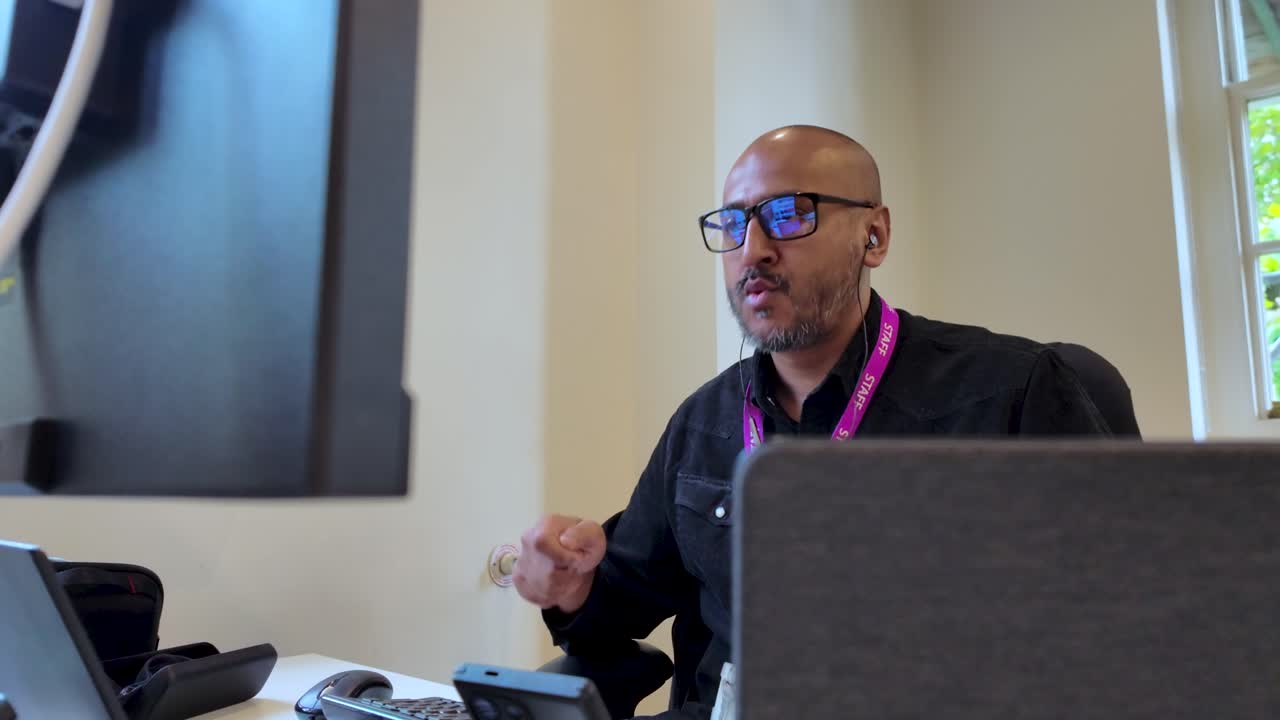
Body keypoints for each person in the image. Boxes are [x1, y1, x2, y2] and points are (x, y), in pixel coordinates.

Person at [513, 125, 1113, 718]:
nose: (753, 249)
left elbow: (1114, 619)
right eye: (732, 224)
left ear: (873, 236)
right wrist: (570, 586)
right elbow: (618, 604)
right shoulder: (704, 424)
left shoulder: (1009, 390)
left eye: (788, 214)